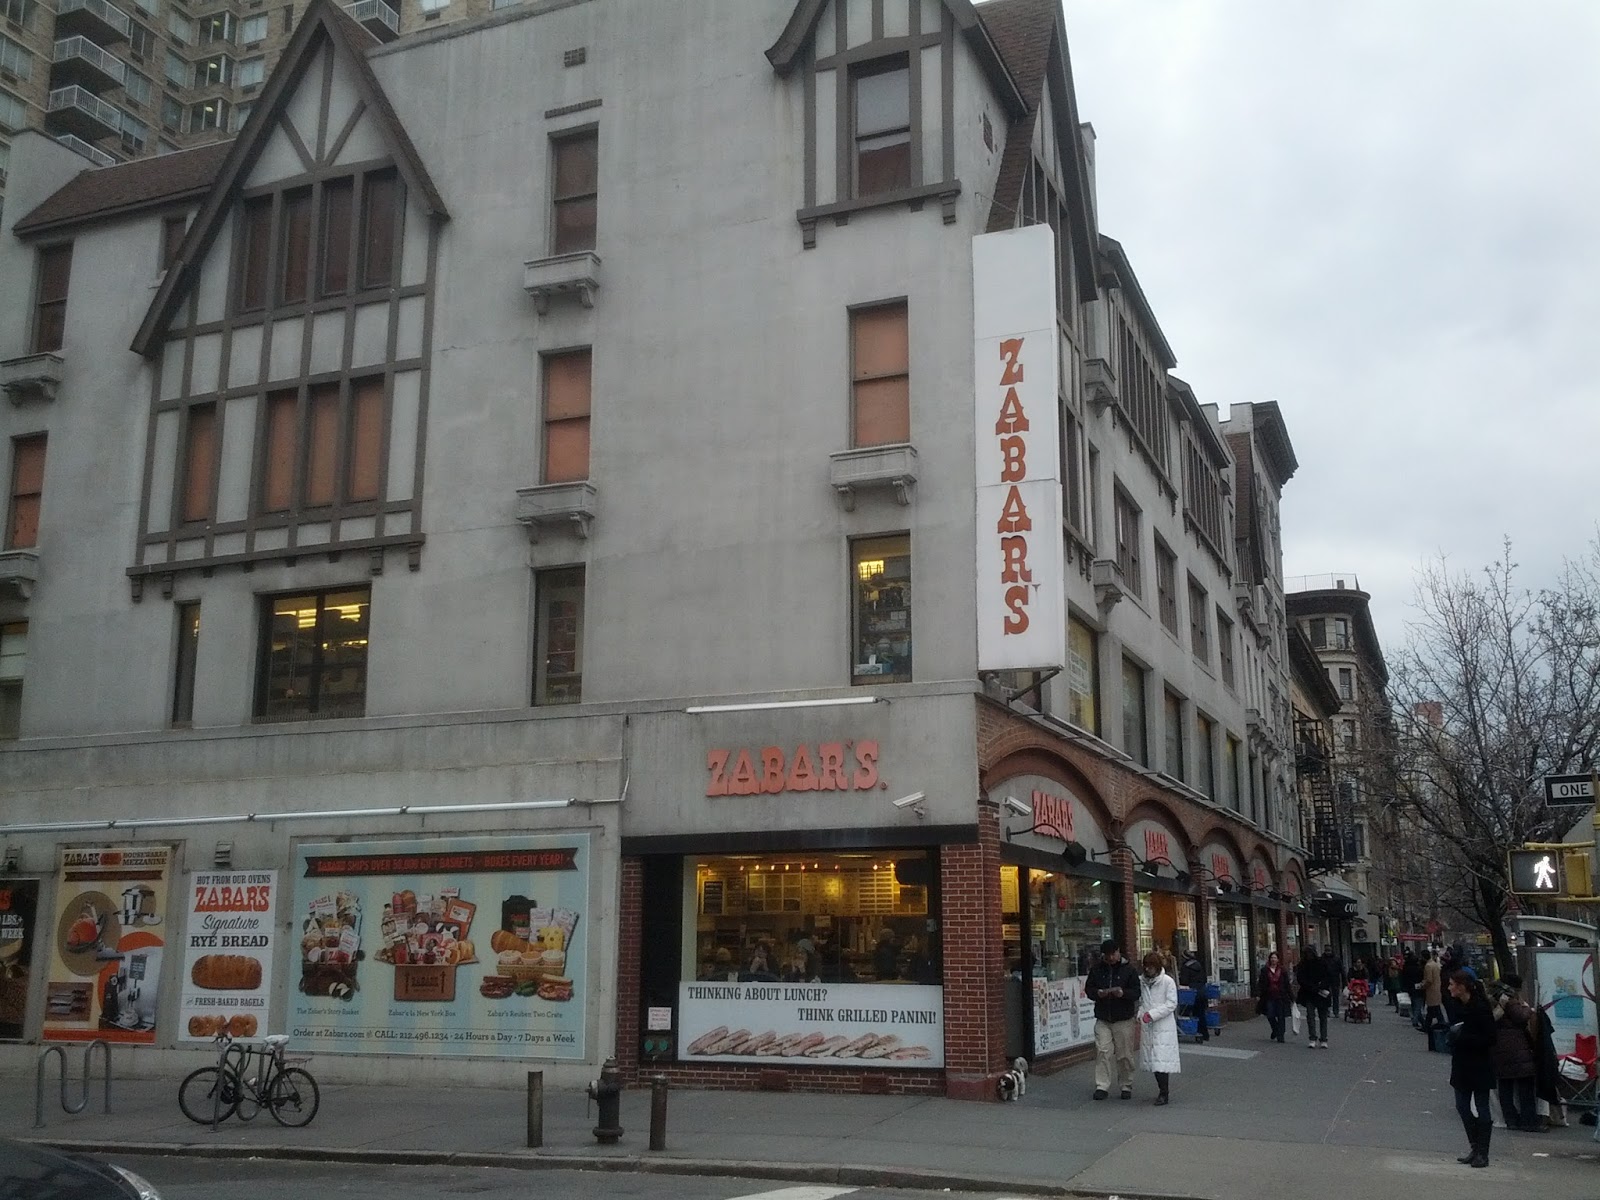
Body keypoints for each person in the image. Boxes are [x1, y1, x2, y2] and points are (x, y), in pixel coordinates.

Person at [1446, 969, 1498, 1167]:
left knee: (1482, 1107)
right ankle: (1474, 1146)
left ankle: (1483, 1153)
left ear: (1461, 987)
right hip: (1461, 1064)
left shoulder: (1480, 1007)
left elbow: (1490, 1038)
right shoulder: (1458, 1005)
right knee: (1462, 1106)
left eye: (1452, 984)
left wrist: (1462, 1037)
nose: (1449, 988)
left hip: (1479, 1064)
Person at [1084, 939, 1142, 1100]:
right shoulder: (1097, 969)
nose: (1110, 958)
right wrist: (1098, 993)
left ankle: (1126, 1084)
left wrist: (1123, 993)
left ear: (1118, 952)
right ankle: (1102, 1085)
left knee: (1124, 1054)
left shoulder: (1129, 970)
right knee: (1103, 1051)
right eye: (1107, 955)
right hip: (1103, 1017)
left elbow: (1137, 992)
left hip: (1123, 1018)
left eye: (1112, 954)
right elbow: (1089, 989)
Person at [1488, 973, 1538, 1132]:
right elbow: (1520, 1017)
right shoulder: (1509, 998)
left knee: (1505, 1087)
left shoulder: (1494, 996)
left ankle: (1511, 1119)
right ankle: (1527, 1121)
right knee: (1525, 1086)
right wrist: (1528, 1009)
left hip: (1500, 1048)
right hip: (1515, 1048)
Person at [1137, 950, 1181, 1106]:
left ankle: (1164, 1092)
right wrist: (1141, 1014)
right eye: (1146, 966)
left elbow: (1171, 1004)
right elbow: (1142, 1001)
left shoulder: (1167, 981)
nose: (1148, 969)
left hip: (1163, 1025)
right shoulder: (1142, 981)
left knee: (1161, 1060)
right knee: (1153, 1060)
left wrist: (1153, 1014)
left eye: (1151, 966)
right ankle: (1162, 1090)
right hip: (1149, 1025)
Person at [1296, 942, 1333, 1048]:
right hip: (1310, 993)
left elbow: (1328, 976)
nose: (1308, 955)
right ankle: (1313, 1038)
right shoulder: (1302, 964)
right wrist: (1311, 987)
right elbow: (1300, 979)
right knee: (1310, 1016)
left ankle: (1323, 1039)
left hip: (1320, 993)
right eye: (1306, 953)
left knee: (1322, 1017)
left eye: (1309, 953)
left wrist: (1321, 986)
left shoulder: (1321, 963)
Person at [1256, 950, 1292, 1043]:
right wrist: (1259, 994)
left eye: (1275, 958)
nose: (1273, 960)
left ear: (1278, 960)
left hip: (1281, 996)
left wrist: (1291, 996)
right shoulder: (1265, 970)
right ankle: (1275, 1029)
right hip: (1269, 996)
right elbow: (1261, 983)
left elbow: (1287, 984)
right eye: (1272, 958)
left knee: (1281, 1016)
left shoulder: (1282, 970)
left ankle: (1281, 1035)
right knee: (1270, 1014)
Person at [1178, 945, 1209, 1043]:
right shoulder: (1199, 965)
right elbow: (1204, 979)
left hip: (1191, 994)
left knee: (1186, 1013)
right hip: (1202, 992)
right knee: (1200, 1014)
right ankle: (1204, 1034)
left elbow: (1184, 981)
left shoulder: (1186, 967)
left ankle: (1189, 1030)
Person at [1421, 949, 1446, 1045]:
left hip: (1431, 990)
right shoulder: (1435, 964)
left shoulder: (1428, 966)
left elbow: (1429, 980)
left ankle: (1439, 1025)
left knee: (1434, 1009)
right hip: (1437, 988)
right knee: (1433, 1010)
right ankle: (1427, 1026)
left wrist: (1422, 986)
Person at [1322, 946, 1345, 1017]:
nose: (1328, 952)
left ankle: (1335, 1011)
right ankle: (1327, 1011)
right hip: (1325, 980)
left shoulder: (1336, 959)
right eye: (1326, 950)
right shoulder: (1322, 959)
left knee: (1335, 996)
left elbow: (1342, 970)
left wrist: (1345, 981)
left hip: (1335, 980)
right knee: (1326, 996)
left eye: (1329, 950)